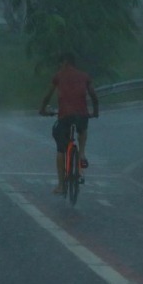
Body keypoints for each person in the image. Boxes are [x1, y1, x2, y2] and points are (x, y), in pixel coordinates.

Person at [39, 52, 99, 194]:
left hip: (65, 116)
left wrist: (42, 110)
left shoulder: (59, 76)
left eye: (60, 63)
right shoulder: (84, 76)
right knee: (83, 130)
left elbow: (47, 96)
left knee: (61, 149)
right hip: (81, 115)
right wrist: (95, 112)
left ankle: (60, 185)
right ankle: (82, 153)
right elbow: (94, 97)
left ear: (64, 62)